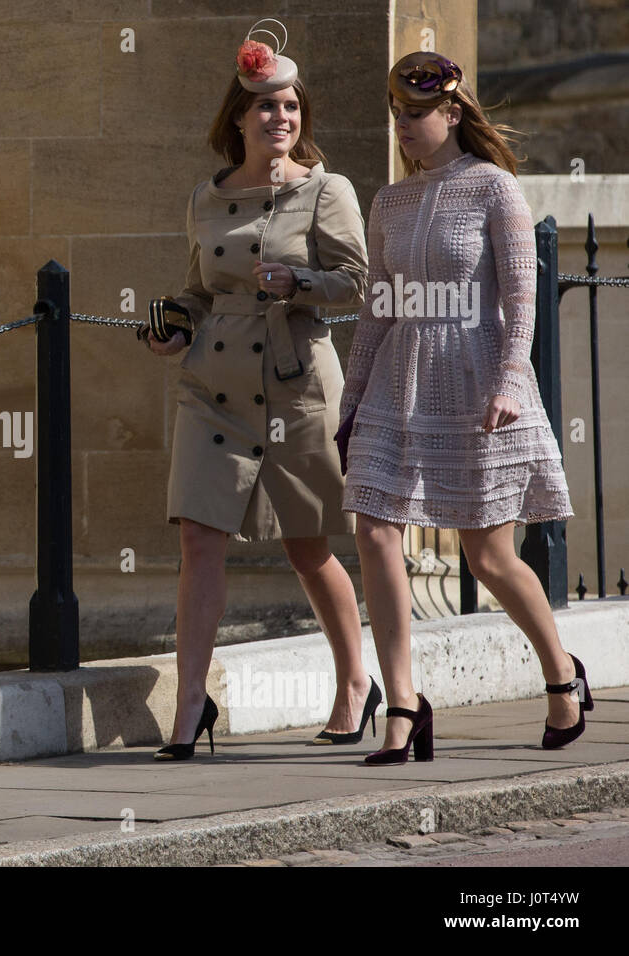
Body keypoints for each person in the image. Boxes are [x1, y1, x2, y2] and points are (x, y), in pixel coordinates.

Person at [339, 52, 588, 765]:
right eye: (398, 117)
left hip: (478, 384)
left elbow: (520, 300)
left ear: (452, 113)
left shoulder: (494, 188)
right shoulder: (388, 202)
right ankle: (404, 703)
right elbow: (378, 312)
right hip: (397, 384)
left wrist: (512, 382)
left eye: (416, 116)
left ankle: (560, 674)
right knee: (375, 529)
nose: (404, 128)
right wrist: (352, 403)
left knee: (488, 555)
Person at [144, 19, 379, 760]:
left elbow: (359, 283)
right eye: (267, 107)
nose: (281, 119)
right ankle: (189, 704)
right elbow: (197, 291)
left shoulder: (326, 189)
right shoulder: (205, 198)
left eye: (292, 107)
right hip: (211, 387)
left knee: (309, 547)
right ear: (238, 119)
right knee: (198, 539)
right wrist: (174, 325)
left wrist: (301, 280)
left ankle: (354, 684)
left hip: (298, 382)